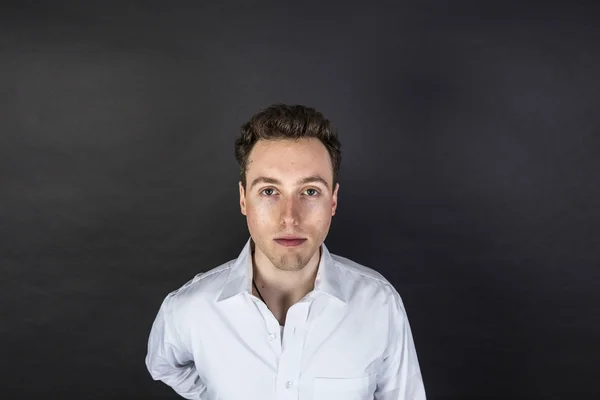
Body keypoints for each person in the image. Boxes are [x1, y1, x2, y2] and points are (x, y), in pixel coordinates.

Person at [145, 104, 426, 399]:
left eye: (310, 191)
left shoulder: (380, 305)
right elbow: (164, 366)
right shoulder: (189, 308)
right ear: (244, 200)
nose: (289, 217)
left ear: (333, 201)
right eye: (269, 191)